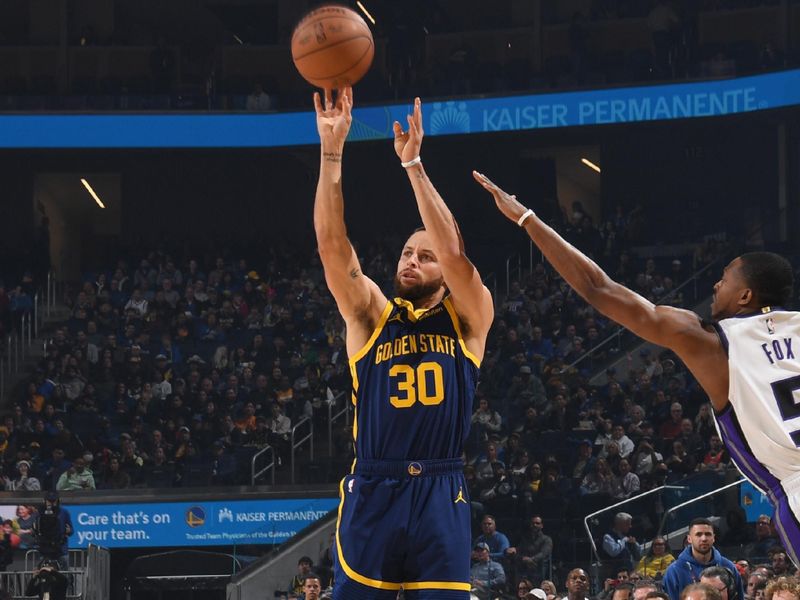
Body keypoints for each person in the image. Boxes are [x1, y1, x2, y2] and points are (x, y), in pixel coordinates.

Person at [473, 172, 800, 566]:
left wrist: (527, 218)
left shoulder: (713, 342)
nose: (715, 285)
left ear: (746, 295)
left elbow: (600, 289)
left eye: (725, 279)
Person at [315, 89, 493, 600]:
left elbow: (457, 255)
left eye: (425, 256)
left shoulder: (468, 318)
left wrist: (413, 164)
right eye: (407, 253)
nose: (411, 261)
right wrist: (331, 151)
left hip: (441, 487)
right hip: (375, 484)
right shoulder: (371, 314)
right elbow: (332, 246)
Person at [660, 518, 744, 600]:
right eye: (698, 534)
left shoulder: (729, 567)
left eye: (708, 534)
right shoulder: (674, 571)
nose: (704, 539)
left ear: (713, 538)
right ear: (689, 539)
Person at [33, 491, 73, 570]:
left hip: (61, 549)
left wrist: (69, 530)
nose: (51, 503)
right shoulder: (40, 513)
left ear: (57, 501)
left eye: (53, 501)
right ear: (44, 501)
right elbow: (35, 530)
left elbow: (71, 530)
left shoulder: (64, 512)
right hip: (44, 548)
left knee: (64, 573)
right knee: (41, 572)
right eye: (49, 501)